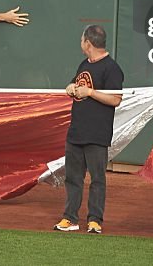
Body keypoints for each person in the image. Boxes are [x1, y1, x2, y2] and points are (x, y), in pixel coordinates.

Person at [53, 25, 124, 235]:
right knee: (73, 178)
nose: (81, 43)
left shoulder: (112, 68)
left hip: (97, 134)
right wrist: (71, 87)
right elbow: (78, 85)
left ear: (88, 43)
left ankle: (95, 220)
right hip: (76, 132)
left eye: (82, 40)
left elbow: (115, 99)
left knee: (97, 179)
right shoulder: (84, 63)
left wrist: (91, 92)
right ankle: (70, 218)